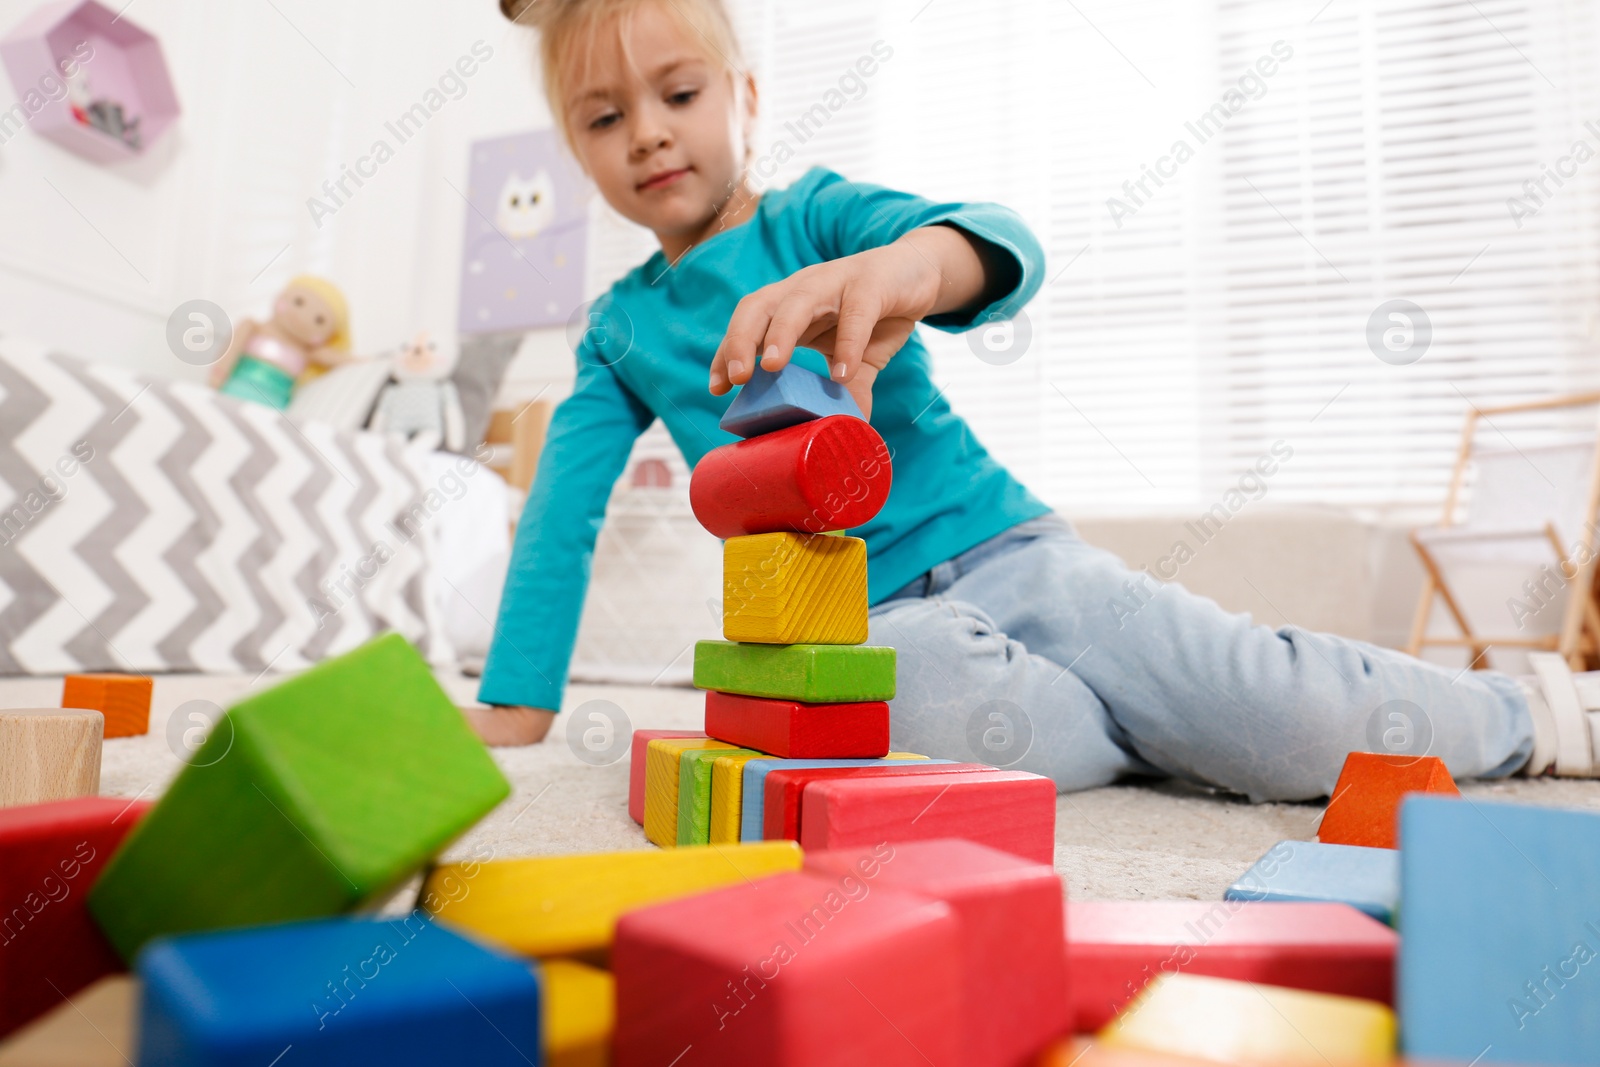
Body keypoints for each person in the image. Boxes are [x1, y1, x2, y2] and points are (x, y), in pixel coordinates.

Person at [477, 0, 1598, 798]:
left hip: (1014, 555)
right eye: (602, 117)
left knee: (1268, 707)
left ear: (746, 98)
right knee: (902, 712)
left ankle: (1534, 712)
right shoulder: (620, 331)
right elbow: (560, 516)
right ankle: (1160, 731)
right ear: (574, 151)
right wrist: (520, 701)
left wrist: (907, 269)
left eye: (677, 93)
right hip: (859, 624)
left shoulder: (815, 216)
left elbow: (998, 242)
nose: (649, 133)